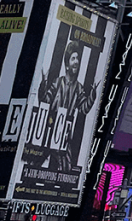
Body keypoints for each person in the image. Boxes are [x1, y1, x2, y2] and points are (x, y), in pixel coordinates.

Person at [37, 41, 98, 171]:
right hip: (49, 131)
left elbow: (84, 108)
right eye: (73, 58)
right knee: (35, 162)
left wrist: (93, 95)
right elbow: (45, 101)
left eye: (78, 59)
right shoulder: (57, 83)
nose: (76, 62)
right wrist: (43, 84)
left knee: (66, 169)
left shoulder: (79, 88)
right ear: (67, 64)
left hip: (64, 136)